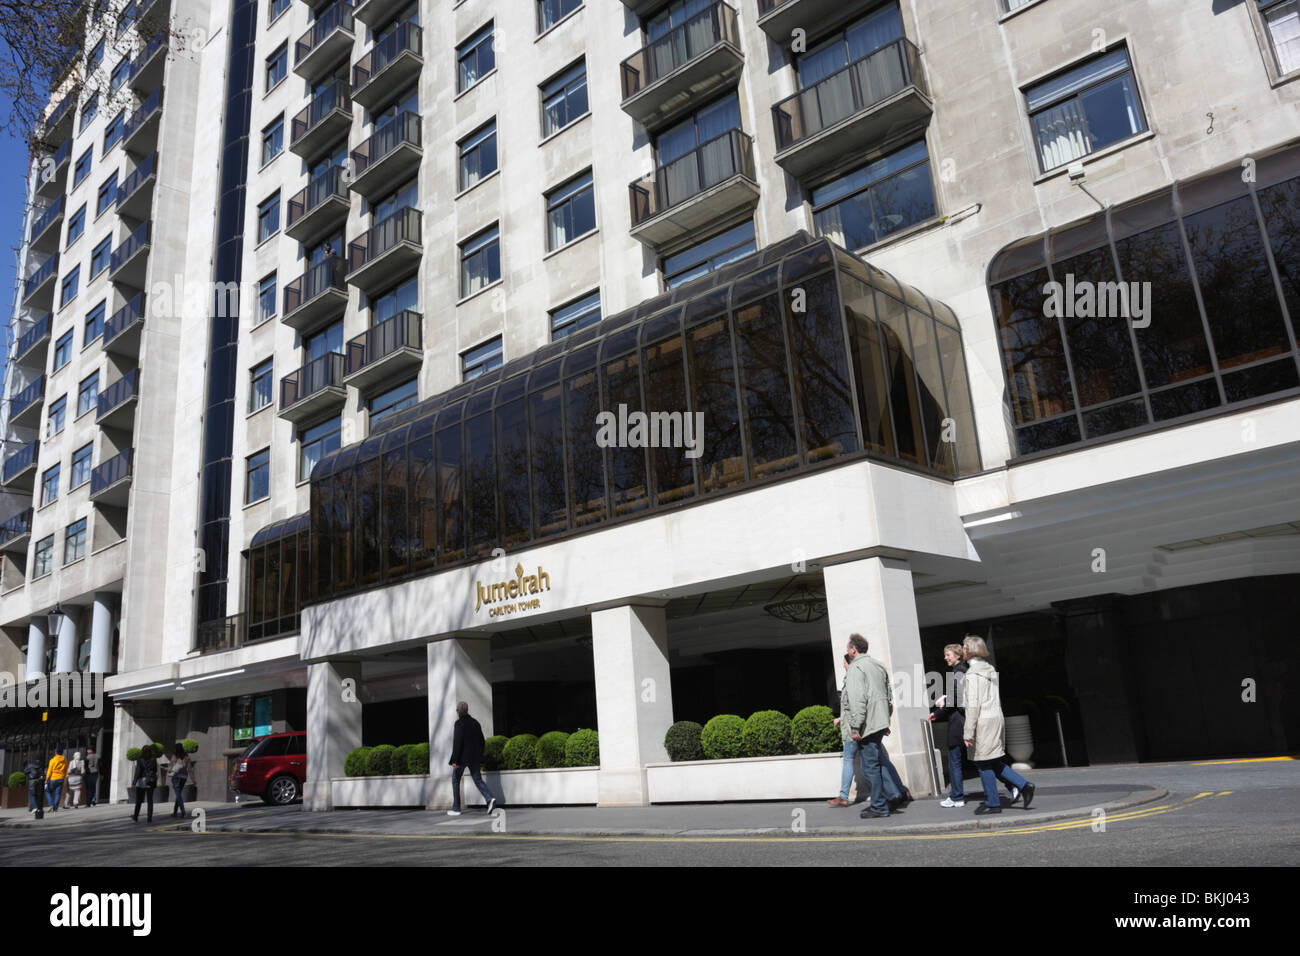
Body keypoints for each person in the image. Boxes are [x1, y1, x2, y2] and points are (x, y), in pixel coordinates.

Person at [961, 635, 1035, 815]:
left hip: (983, 721)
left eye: (964, 647)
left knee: (983, 763)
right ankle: (1024, 786)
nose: (962, 649)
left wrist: (968, 732)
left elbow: (973, 705)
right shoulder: (990, 669)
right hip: (995, 718)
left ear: (970, 650)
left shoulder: (972, 674)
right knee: (992, 760)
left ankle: (993, 804)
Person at [842, 634, 903, 819]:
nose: (847, 652)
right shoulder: (878, 665)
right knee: (876, 763)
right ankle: (891, 796)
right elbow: (888, 696)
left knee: (870, 768)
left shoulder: (855, 668)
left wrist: (855, 728)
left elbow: (857, 700)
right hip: (879, 722)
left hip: (866, 725)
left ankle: (878, 806)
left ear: (854, 650)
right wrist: (885, 720)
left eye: (848, 649)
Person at [930, 643, 970, 807]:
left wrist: (939, 709)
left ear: (957, 656)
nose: (945, 658)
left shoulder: (958, 672)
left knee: (955, 759)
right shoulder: (962, 671)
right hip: (962, 720)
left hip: (958, 722)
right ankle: (956, 796)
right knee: (982, 761)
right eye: (945, 655)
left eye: (948, 655)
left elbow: (955, 700)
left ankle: (956, 797)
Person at [448, 701, 497, 816]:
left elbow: (457, 742)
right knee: (478, 780)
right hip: (474, 758)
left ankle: (456, 808)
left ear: (459, 711)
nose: (457, 712)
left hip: (462, 758)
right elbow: (481, 741)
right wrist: (480, 755)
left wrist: (454, 760)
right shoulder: (475, 723)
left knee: (455, 780)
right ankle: (490, 799)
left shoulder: (459, 723)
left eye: (457, 710)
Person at [131, 745, 158, 823]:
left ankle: (136, 816)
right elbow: (155, 770)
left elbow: (138, 772)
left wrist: (134, 782)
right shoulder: (153, 759)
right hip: (150, 781)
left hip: (142, 781)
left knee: (139, 800)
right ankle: (149, 818)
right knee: (150, 800)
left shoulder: (140, 759)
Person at [169, 743, 194, 818]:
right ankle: (175, 812)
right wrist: (193, 779)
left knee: (178, 794)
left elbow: (170, 768)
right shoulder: (187, 757)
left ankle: (183, 811)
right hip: (184, 777)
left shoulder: (175, 756)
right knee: (178, 794)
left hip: (176, 777)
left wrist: (169, 770)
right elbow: (189, 769)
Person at [45, 747, 68, 812]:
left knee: (48, 791)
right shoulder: (65, 760)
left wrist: (47, 779)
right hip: (61, 778)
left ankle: (50, 804)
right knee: (58, 793)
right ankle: (55, 808)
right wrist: (64, 776)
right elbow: (66, 769)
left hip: (53, 778)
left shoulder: (52, 760)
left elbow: (49, 770)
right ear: (62, 753)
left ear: (56, 753)